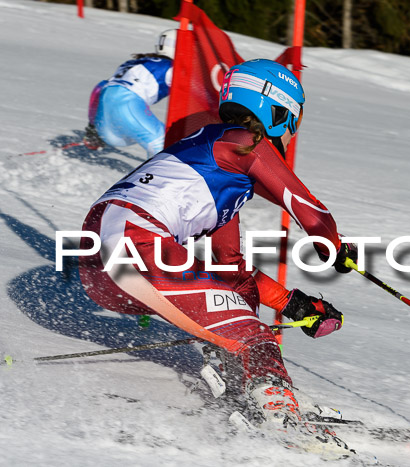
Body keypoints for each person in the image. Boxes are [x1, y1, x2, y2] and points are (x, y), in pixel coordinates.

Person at [78, 59, 357, 446]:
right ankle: (279, 414)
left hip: (98, 263)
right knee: (251, 332)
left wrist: (294, 304)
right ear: (276, 111)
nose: (292, 133)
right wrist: (334, 245)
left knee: (235, 314)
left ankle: (251, 393)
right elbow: (308, 208)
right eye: (293, 120)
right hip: (130, 242)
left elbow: (231, 271)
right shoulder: (245, 143)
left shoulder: (213, 161)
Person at [83, 30, 176, 157]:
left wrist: (93, 127)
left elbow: (99, 88)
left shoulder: (137, 62)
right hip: (127, 109)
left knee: (160, 143)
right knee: (165, 143)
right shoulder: (171, 67)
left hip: (105, 123)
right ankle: (158, 175)